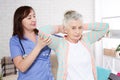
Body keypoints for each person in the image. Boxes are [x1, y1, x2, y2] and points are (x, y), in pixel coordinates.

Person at [38, 10, 109, 80]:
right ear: (65, 29)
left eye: (80, 28)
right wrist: (60, 28)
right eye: (73, 28)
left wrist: (83, 25)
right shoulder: (59, 44)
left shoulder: (86, 39)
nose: (77, 32)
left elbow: (105, 27)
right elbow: (41, 31)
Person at [9, 6, 54, 80]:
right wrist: (38, 47)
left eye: (34, 16)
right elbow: (22, 67)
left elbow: (63, 40)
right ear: (20, 21)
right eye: (29, 18)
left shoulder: (42, 34)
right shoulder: (15, 40)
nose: (34, 20)